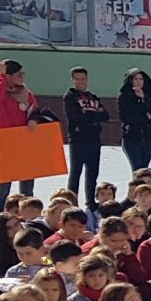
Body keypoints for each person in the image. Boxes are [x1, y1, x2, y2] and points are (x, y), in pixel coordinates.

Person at [0, 57, 40, 213]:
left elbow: (35, 110)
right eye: (18, 74)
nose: (22, 77)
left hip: (24, 142)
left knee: (27, 188)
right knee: (3, 188)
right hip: (5, 143)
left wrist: (33, 119)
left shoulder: (25, 92)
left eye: (23, 74)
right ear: (8, 76)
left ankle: (28, 217)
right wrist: (1, 77)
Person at [61, 66, 110, 206]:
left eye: (82, 79)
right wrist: (93, 116)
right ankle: (71, 203)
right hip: (78, 140)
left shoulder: (93, 97)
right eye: (77, 79)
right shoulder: (70, 97)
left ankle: (90, 202)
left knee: (92, 173)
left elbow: (105, 116)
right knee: (75, 173)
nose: (80, 82)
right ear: (73, 80)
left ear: (87, 79)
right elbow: (76, 116)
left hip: (94, 139)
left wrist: (89, 115)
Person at [119, 68, 151, 179]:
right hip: (131, 137)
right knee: (137, 170)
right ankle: (136, 189)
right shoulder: (124, 97)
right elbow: (126, 116)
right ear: (130, 81)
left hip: (148, 137)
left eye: (141, 79)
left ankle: (144, 189)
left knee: (145, 170)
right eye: (135, 79)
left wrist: (144, 99)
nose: (138, 81)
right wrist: (145, 114)